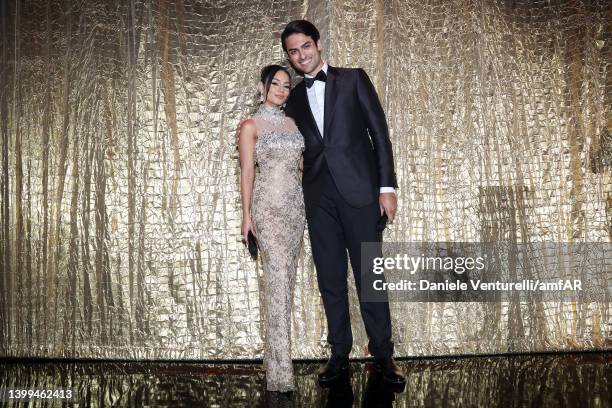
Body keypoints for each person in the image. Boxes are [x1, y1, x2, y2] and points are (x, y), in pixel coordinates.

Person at [281, 20, 406, 387]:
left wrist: (387, 188)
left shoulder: (353, 79)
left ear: (318, 44)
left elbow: (379, 135)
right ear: (288, 56)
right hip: (319, 199)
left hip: (361, 194)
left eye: (306, 46)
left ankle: (383, 354)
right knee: (330, 279)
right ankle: (339, 354)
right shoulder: (293, 98)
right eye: (293, 51)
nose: (301, 55)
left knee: (370, 277)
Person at [237, 65, 305, 392]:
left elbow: (302, 167)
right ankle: (281, 374)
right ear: (262, 86)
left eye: (286, 85)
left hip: (295, 211)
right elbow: (248, 171)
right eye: (275, 83)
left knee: (285, 286)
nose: (280, 89)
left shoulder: (293, 124)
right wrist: (247, 216)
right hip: (268, 210)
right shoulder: (251, 124)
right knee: (277, 282)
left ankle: (274, 364)